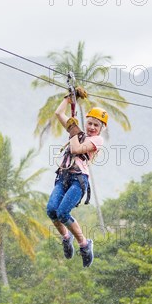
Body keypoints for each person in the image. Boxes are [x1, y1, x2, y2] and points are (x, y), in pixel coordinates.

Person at [46, 93, 107, 267]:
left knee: (63, 213)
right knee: (51, 210)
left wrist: (72, 129)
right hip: (64, 176)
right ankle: (66, 237)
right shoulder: (77, 132)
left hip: (78, 180)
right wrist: (68, 98)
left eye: (96, 125)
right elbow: (59, 113)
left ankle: (84, 244)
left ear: (101, 128)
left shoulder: (97, 140)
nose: (92, 127)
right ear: (85, 122)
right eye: (90, 123)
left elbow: (76, 148)